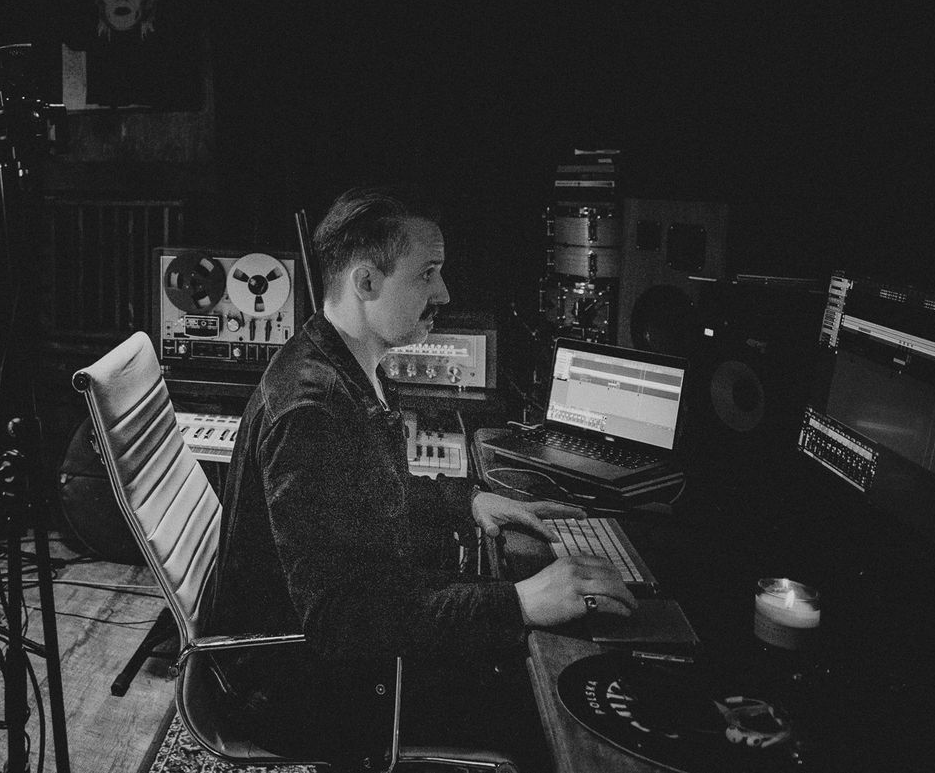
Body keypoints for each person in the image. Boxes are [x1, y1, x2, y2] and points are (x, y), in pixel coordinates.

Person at [205, 187, 637, 766]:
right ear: (365, 282)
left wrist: (467, 502)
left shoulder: (347, 362)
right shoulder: (312, 412)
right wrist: (520, 602)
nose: (444, 293)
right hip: (298, 691)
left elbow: (370, 493)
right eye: (427, 273)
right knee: (546, 710)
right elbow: (343, 621)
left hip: (337, 658)